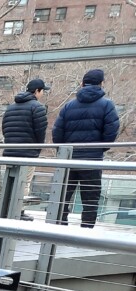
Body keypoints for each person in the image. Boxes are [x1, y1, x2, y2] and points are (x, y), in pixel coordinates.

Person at [52, 69, 119, 227]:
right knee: (91, 196)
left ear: (82, 84)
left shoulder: (69, 105)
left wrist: (63, 152)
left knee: (63, 194)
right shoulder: (107, 105)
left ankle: (59, 227)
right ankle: (86, 230)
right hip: (92, 159)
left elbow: (57, 131)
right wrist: (99, 149)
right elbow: (111, 131)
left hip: (69, 158)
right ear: (101, 84)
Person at [1, 78, 48, 216]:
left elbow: (5, 128)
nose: (43, 94)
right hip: (28, 153)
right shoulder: (37, 107)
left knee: (9, 183)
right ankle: (19, 213)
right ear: (37, 91)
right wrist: (37, 149)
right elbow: (41, 131)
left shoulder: (10, 107)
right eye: (42, 91)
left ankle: (5, 211)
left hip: (10, 152)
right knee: (24, 184)